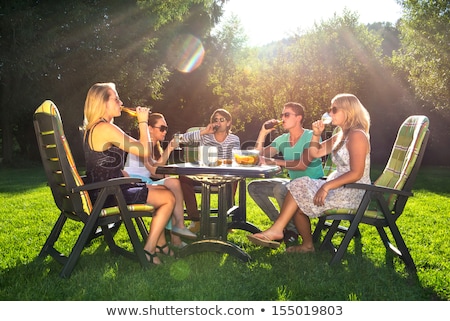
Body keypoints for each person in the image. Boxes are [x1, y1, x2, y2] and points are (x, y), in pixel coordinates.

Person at [247, 93, 371, 253]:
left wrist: (326, 187)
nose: (329, 113)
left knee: (299, 185)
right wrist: (317, 134)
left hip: (354, 191)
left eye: (334, 109)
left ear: (348, 111)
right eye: (329, 109)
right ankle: (306, 244)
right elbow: (315, 152)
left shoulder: (357, 135)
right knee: (298, 194)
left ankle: (278, 230)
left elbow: (357, 173)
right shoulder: (341, 135)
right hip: (339, 187)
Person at [83, 82, 175, 265]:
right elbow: (144, 151)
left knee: (159, 192)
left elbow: (103, 164)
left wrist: (123, 174)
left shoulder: (93, 128)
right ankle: (149, 249)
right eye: (116, 98)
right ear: (103, 103)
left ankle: (159, 243)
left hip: (103, 190)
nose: (121, 102)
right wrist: (142, 121)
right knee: (168, 198)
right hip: (108, 194)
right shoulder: (104, 128)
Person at [248, 102, 324, 245]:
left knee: (281, 189)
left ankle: (290, 231)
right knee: (254, 187)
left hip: (313, 185)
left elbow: (302, 165)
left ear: (298, 118)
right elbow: (256, 157)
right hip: (292, 184)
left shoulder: (311, 136)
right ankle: (281, 227)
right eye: (282, 115)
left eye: (287, 115)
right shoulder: (282, 139)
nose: (282, 118)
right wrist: (262, 133)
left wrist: (275, 162)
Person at [123, 112, 197, 248]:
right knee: (173, 184)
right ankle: (177, 232)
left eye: (166, 129)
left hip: (145, 182)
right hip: (134, 184)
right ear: (149, 128)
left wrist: (166, 176)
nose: (164, 132)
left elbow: (157, 174)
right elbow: (153, 170)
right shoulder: (141, 145)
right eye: (161, 128)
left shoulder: (155, 146)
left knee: (173, 183)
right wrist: (169, 149)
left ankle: (177, 232)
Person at [181, 108, 241, 232]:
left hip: (225, 177)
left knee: (236, 177)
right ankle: (195, 219)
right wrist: (203, 132)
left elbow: (236, 160)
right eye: (215, 120)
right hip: (202, 176)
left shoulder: (234, 139)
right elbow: (179, 140)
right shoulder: (205, 136)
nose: (218, 123)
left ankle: (225, 218)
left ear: (228, 123)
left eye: (222, 120)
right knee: (183, 177)